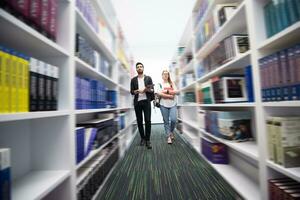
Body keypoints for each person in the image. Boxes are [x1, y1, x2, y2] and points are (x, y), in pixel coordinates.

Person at [130, 62, 154, 149]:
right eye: (138, 67)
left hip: (146, 102)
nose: (139, 68)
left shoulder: (148, 78)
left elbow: (152, 90)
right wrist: (136, 91)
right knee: (139, 121)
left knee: (148, 120)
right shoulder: (133, 80)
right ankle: (142, 138)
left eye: (141, 67)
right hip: (137, 103)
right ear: (136, 69)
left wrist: (145, 90)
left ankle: (148, 139)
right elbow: (131, 91)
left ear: (143, 68)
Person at [156, 70, 179, 144]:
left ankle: (171, 132)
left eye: (167, 74)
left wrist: (165, 91)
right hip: (163, 105)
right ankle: (168, 136)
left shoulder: (172, 83)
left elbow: (176, 92)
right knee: (166, 121)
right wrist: (170, 95)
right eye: (164, 74)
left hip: (173, 104)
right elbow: (159, 93)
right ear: (162, 76)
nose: (165, 75)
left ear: (168, 75)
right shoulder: (159, 84)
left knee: (173, 119)